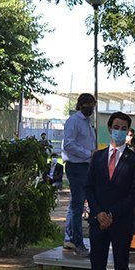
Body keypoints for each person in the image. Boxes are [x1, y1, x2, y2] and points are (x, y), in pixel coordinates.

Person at [76, 111, 135, 270]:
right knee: (97, 265)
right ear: (109, 129)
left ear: (128, 132)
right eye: (116, 127)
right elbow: (89, 188)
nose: (119, 131)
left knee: (121, 267)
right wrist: (98, 213)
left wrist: (112, 214)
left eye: (124, 128)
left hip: (122, 222)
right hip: (98, 221)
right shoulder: (97, 157)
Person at [61, 93, 97, 254]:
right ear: (81, 104)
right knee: (78, 205)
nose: (91, 108)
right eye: (89, 104)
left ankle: (69, 239)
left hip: (85, 166)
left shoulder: (87, 123)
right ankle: (77, 242)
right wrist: (88, 153)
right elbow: (69, 144)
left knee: (75, 203)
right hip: (76, 166)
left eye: (93, 105)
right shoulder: (74, 121)